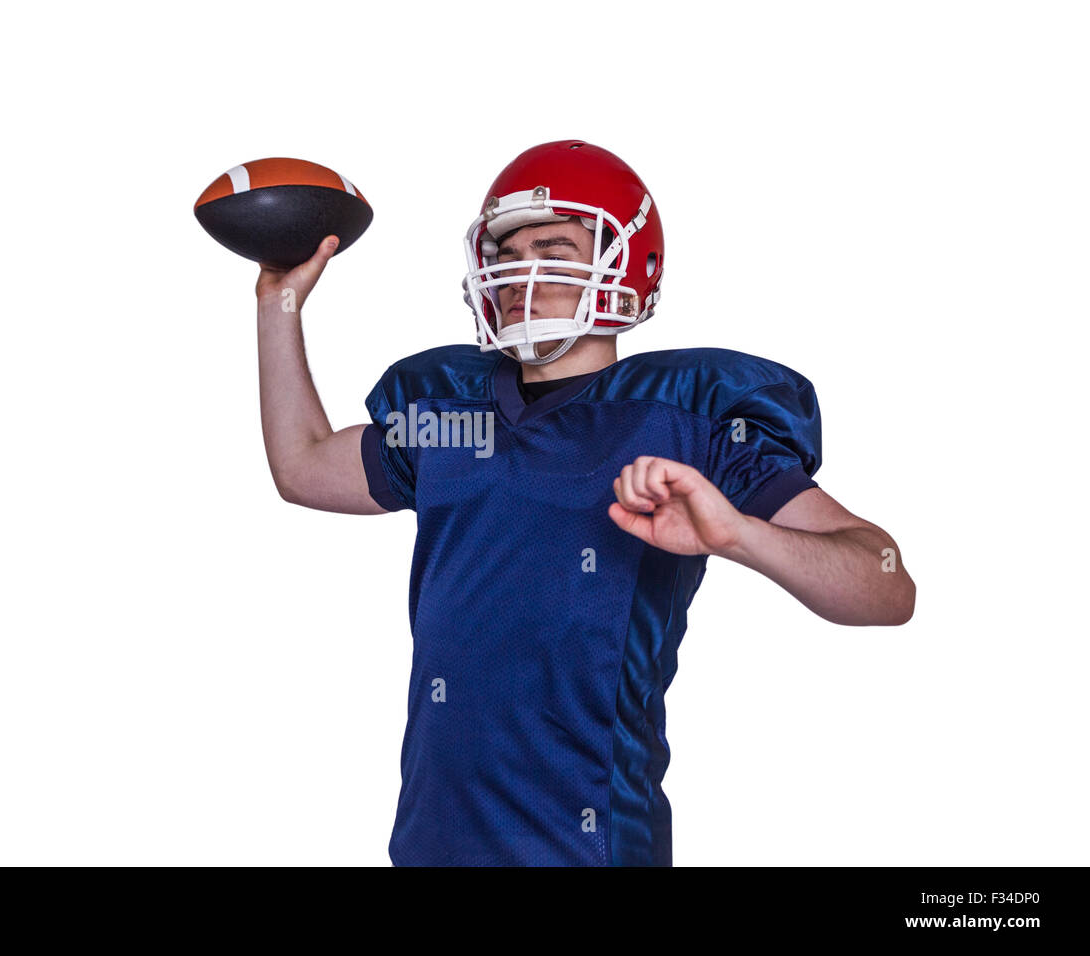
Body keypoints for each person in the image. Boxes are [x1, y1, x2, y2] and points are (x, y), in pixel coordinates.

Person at [254, 139, 915, 866]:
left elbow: (885, 585)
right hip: (431, 842)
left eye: (554, 247)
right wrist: (278, 302)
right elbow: (305, 467)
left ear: (628, 266)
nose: (520, 270)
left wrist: (739, 535)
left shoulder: (688, 421)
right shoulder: (451, 410)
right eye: (508, 250)